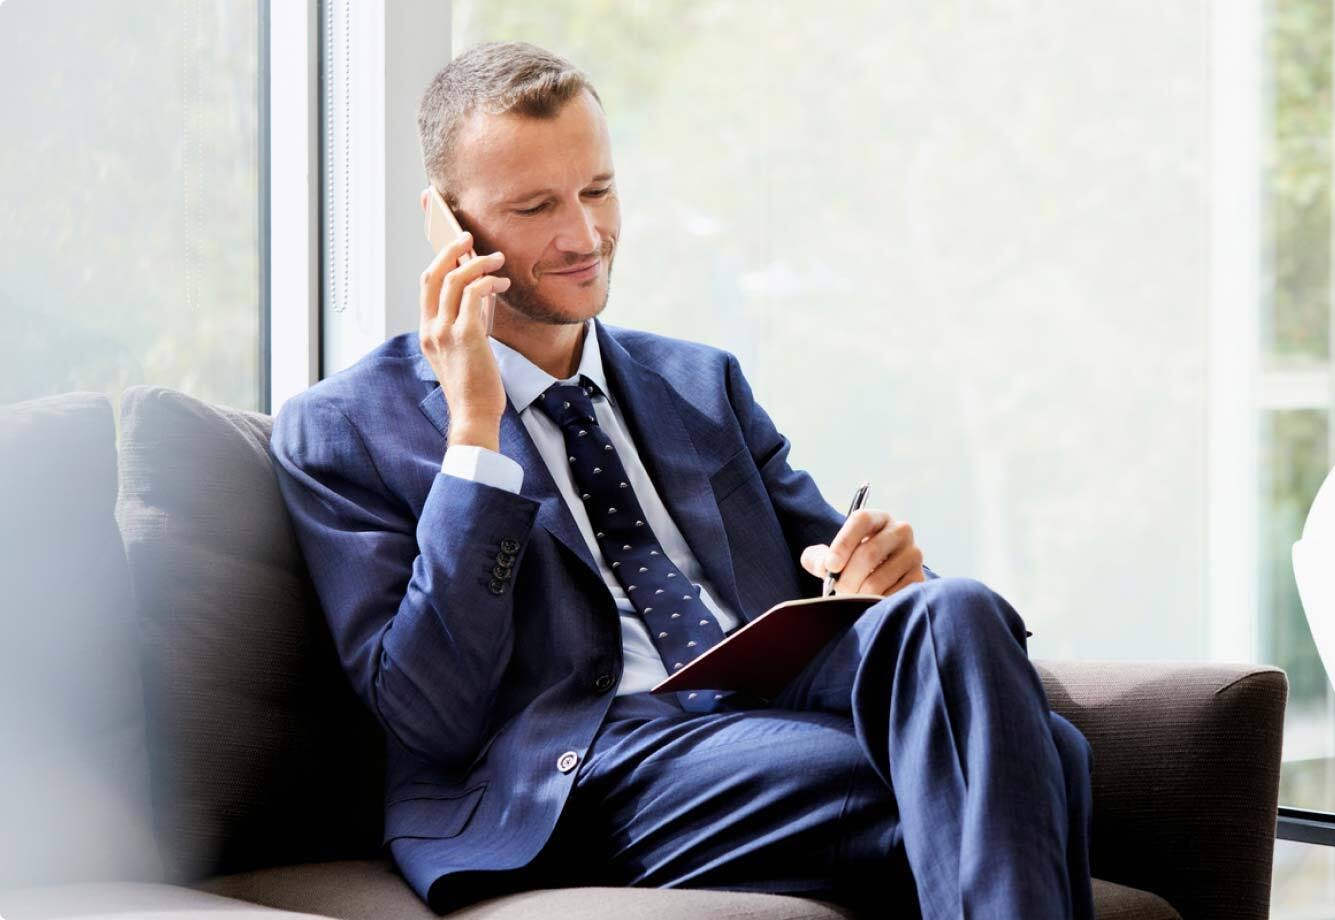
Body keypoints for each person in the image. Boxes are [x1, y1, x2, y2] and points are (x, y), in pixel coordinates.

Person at [269, 40, 1093, 919]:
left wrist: (883, 576)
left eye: (597, 190)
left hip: (763, 720)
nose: (585, 237)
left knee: (953, 608)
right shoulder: (346, 428)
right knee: (1039, 759)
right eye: (535, 206)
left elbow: (842, 597)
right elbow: (431, 713)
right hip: (579, 771)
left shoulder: (701, 383)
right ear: (449, 224)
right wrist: (474, 437)